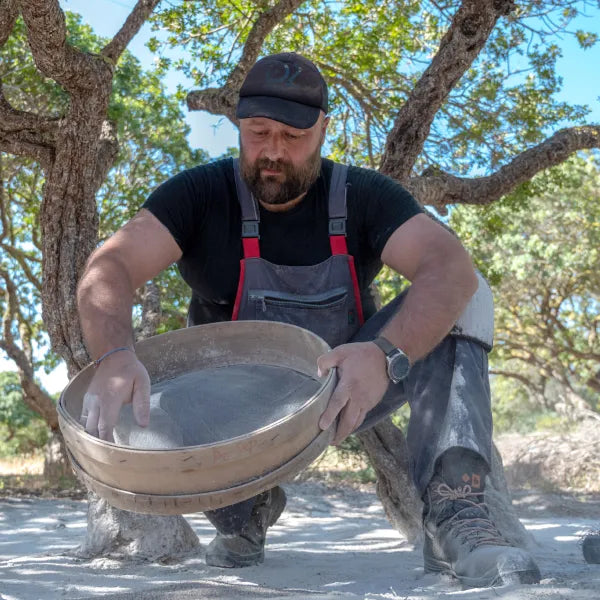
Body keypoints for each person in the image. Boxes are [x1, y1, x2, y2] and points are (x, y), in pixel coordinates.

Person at [77, 52, 541, 587]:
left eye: (294, 136)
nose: (274, 151)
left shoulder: (363, 195)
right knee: (149, 413)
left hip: (348, 386)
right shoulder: (198, 195)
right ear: (238, 126)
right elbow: (109, 266)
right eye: (259, 132)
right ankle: (246, 513)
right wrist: (113, 356)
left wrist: (384, 354)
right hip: (232, 415)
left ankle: (456, 514)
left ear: (323, 129)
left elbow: (449, 267)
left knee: (470, 293)